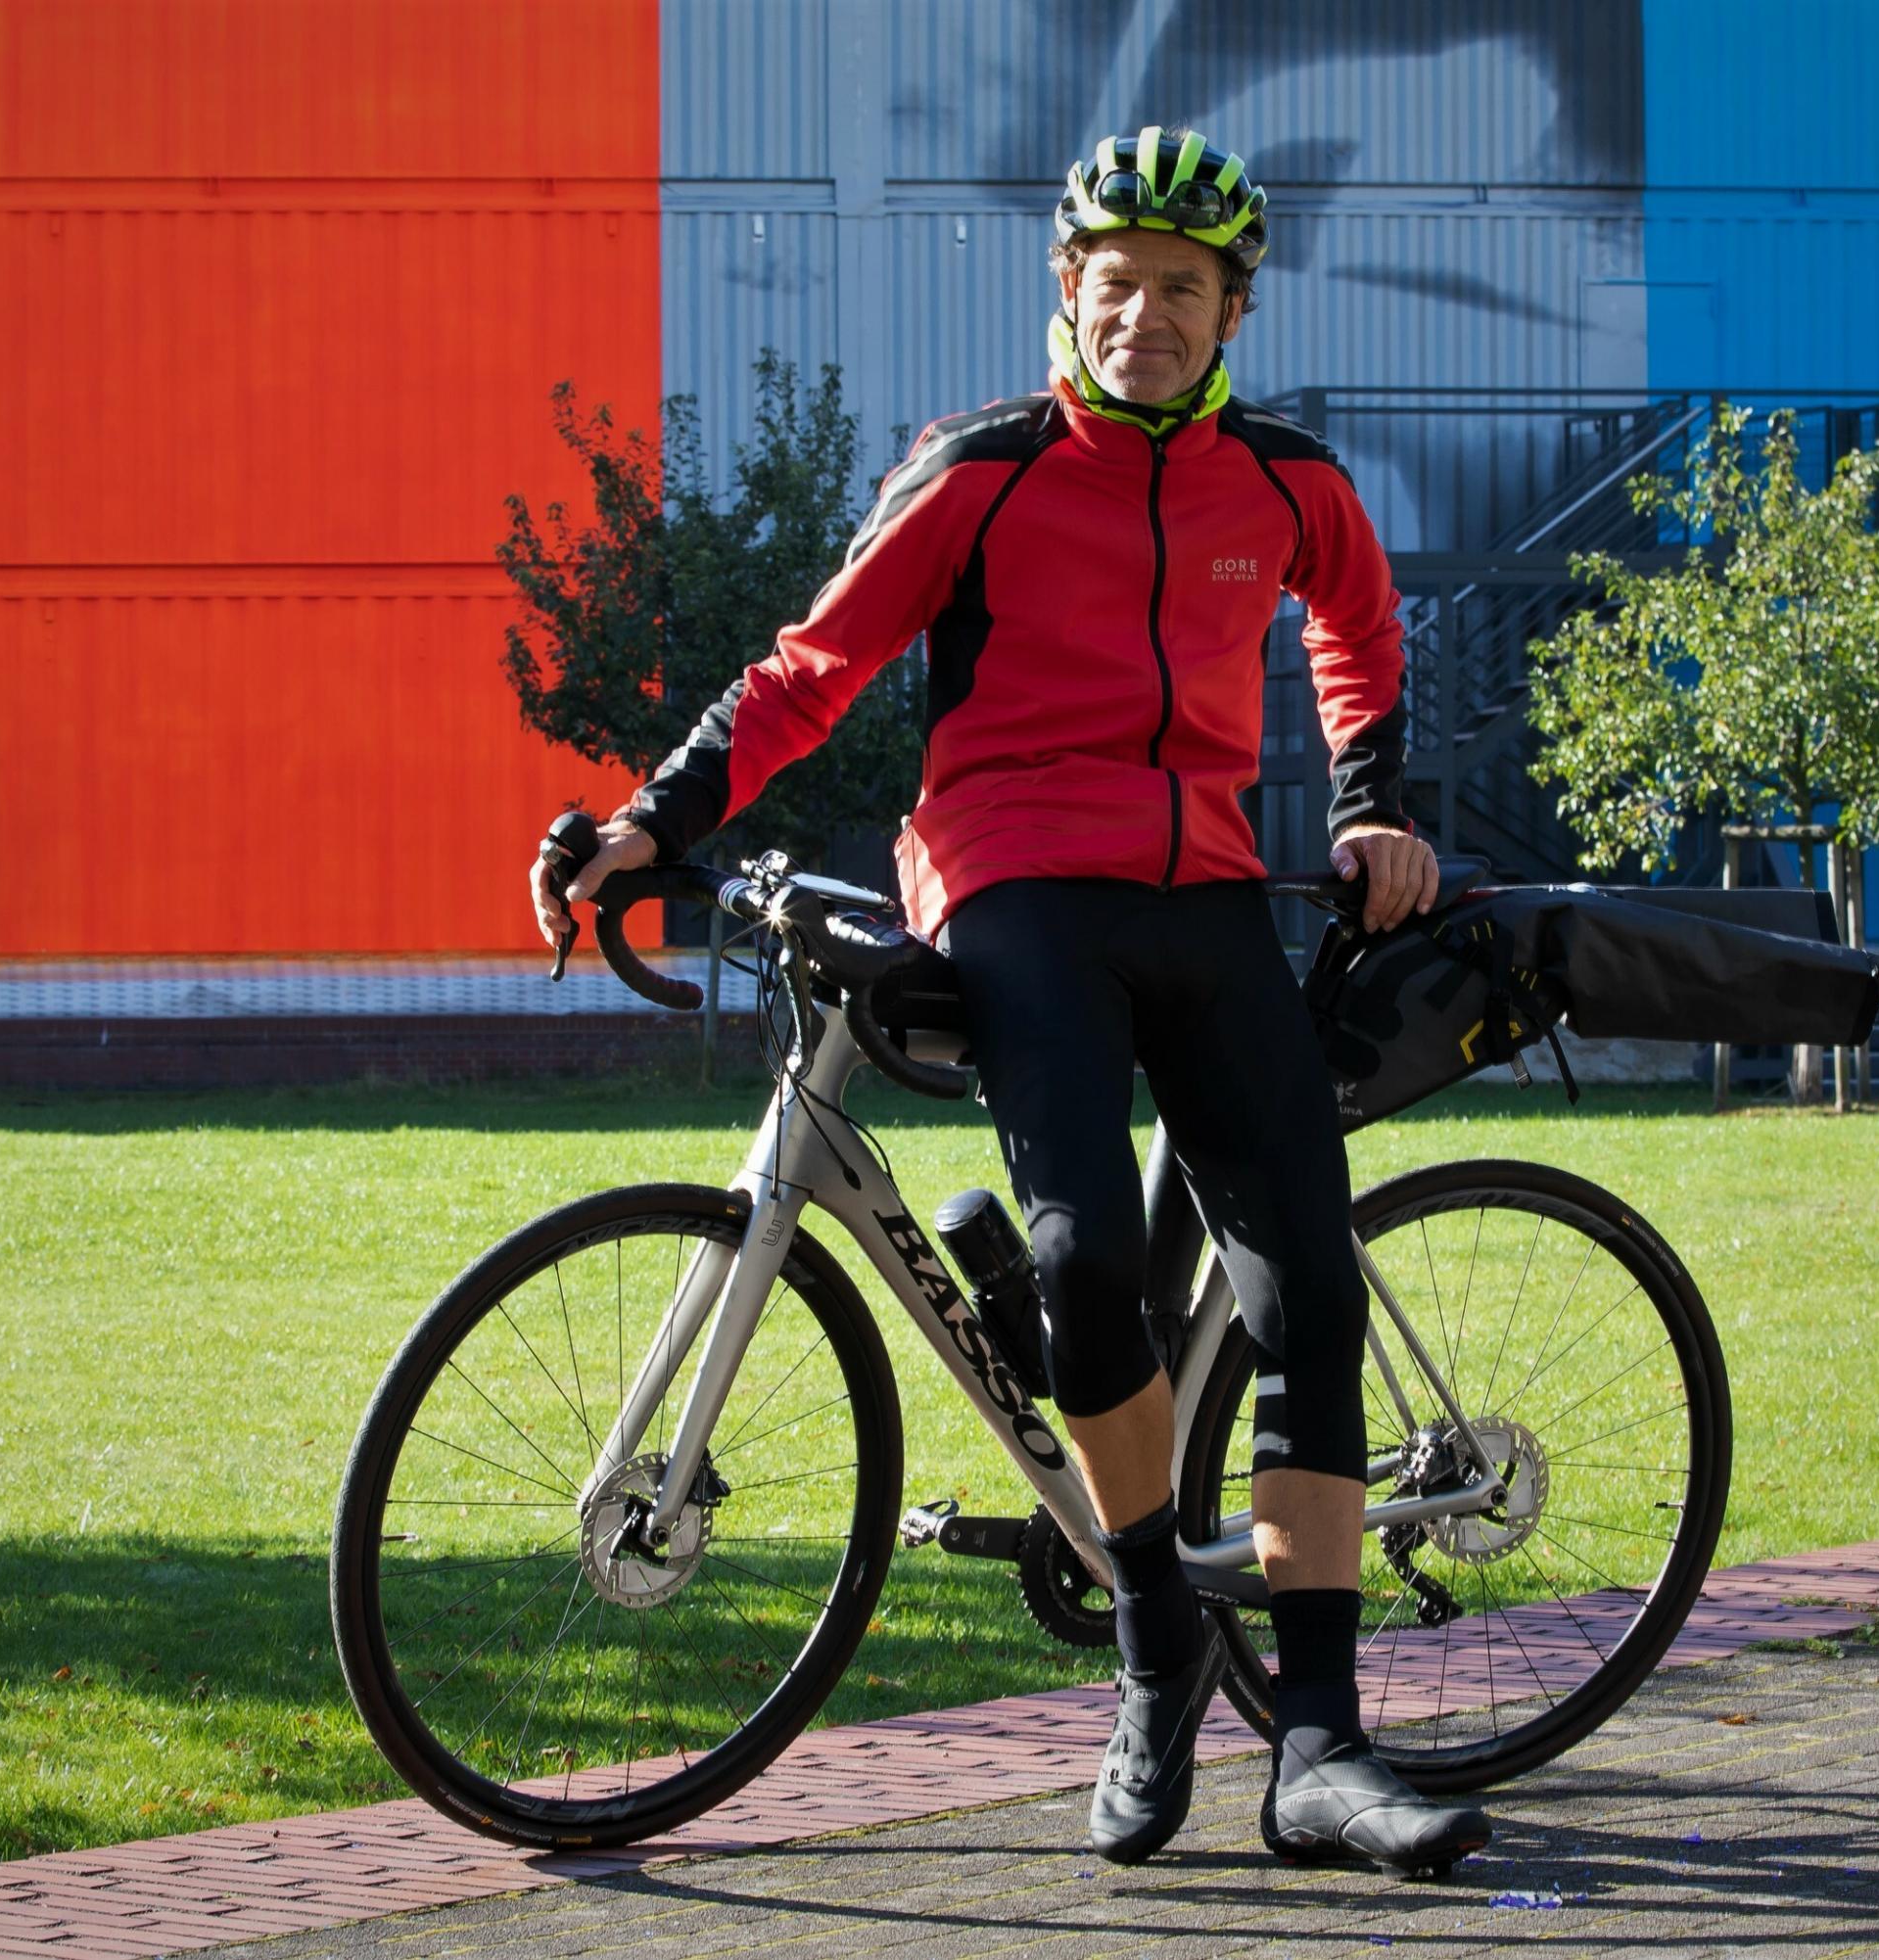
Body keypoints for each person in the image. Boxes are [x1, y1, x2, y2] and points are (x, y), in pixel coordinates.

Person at [530, 127, 1488, 1880]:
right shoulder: (977, 473)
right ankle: (1154, 1657)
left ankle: (1327, 1750)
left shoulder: (1283, 482)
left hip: (1205, 892)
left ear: (1232, 309)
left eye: (1180, 289)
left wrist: (1368, 800)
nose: (1144, 315)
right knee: (1081, 1259)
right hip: (1014, 876)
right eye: (1114, 284)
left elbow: (1357, 616)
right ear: (1071, 292)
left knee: (1310, 1293)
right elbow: (809, 670)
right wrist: (650, 818)